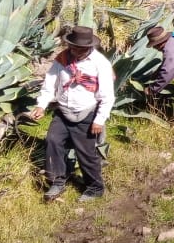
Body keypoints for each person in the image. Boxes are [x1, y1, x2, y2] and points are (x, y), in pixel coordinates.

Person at [29, 26, 114, 203]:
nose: (75, 51)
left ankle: (95, 188)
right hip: (63, 111)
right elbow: (49, 84)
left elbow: (107, 95)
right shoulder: (62, 59)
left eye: (80, 49)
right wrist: (41, 106)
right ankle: (57, 181)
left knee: (86, 152)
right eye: (73, 47)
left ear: (89, 47)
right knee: (53, 141)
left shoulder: (100, 63)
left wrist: (99, 119)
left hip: (87, 113)